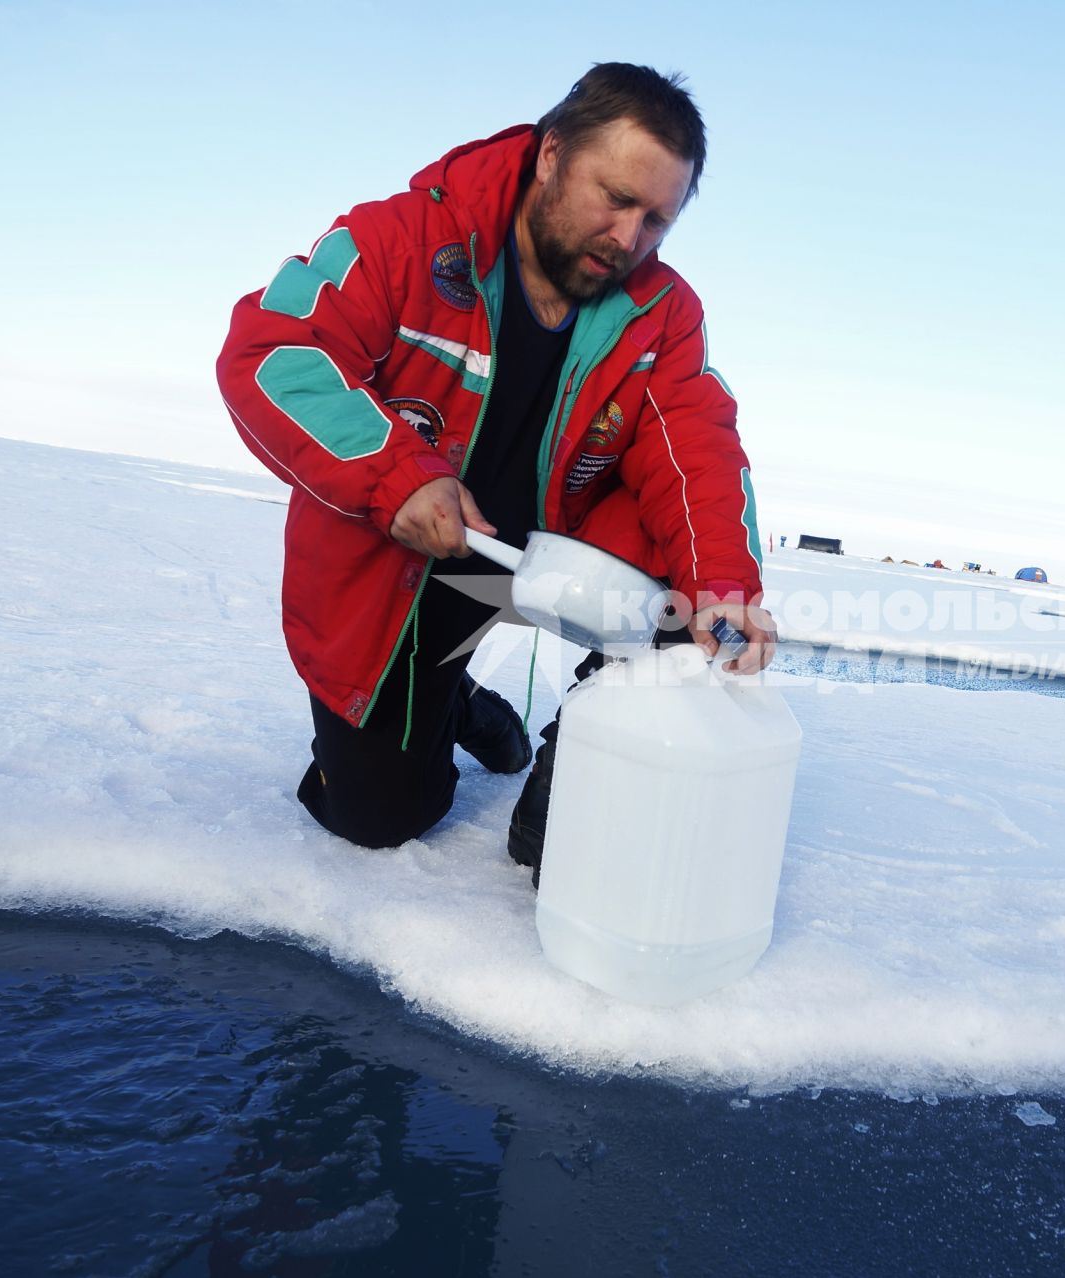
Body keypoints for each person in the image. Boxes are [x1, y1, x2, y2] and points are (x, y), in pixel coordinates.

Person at [217, 64, 775, 880]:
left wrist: (725, 585)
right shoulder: (402, 240)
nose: (628, 238)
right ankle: (458, 707)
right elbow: (272, 354)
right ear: (551, 154)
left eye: (656, 219)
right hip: (404, 560)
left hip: (558, 557)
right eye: (614, 197)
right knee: (376, 820)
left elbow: (699, 453)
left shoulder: (664, 313)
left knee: (688, 593)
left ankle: (576, 772)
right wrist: (396, 478)